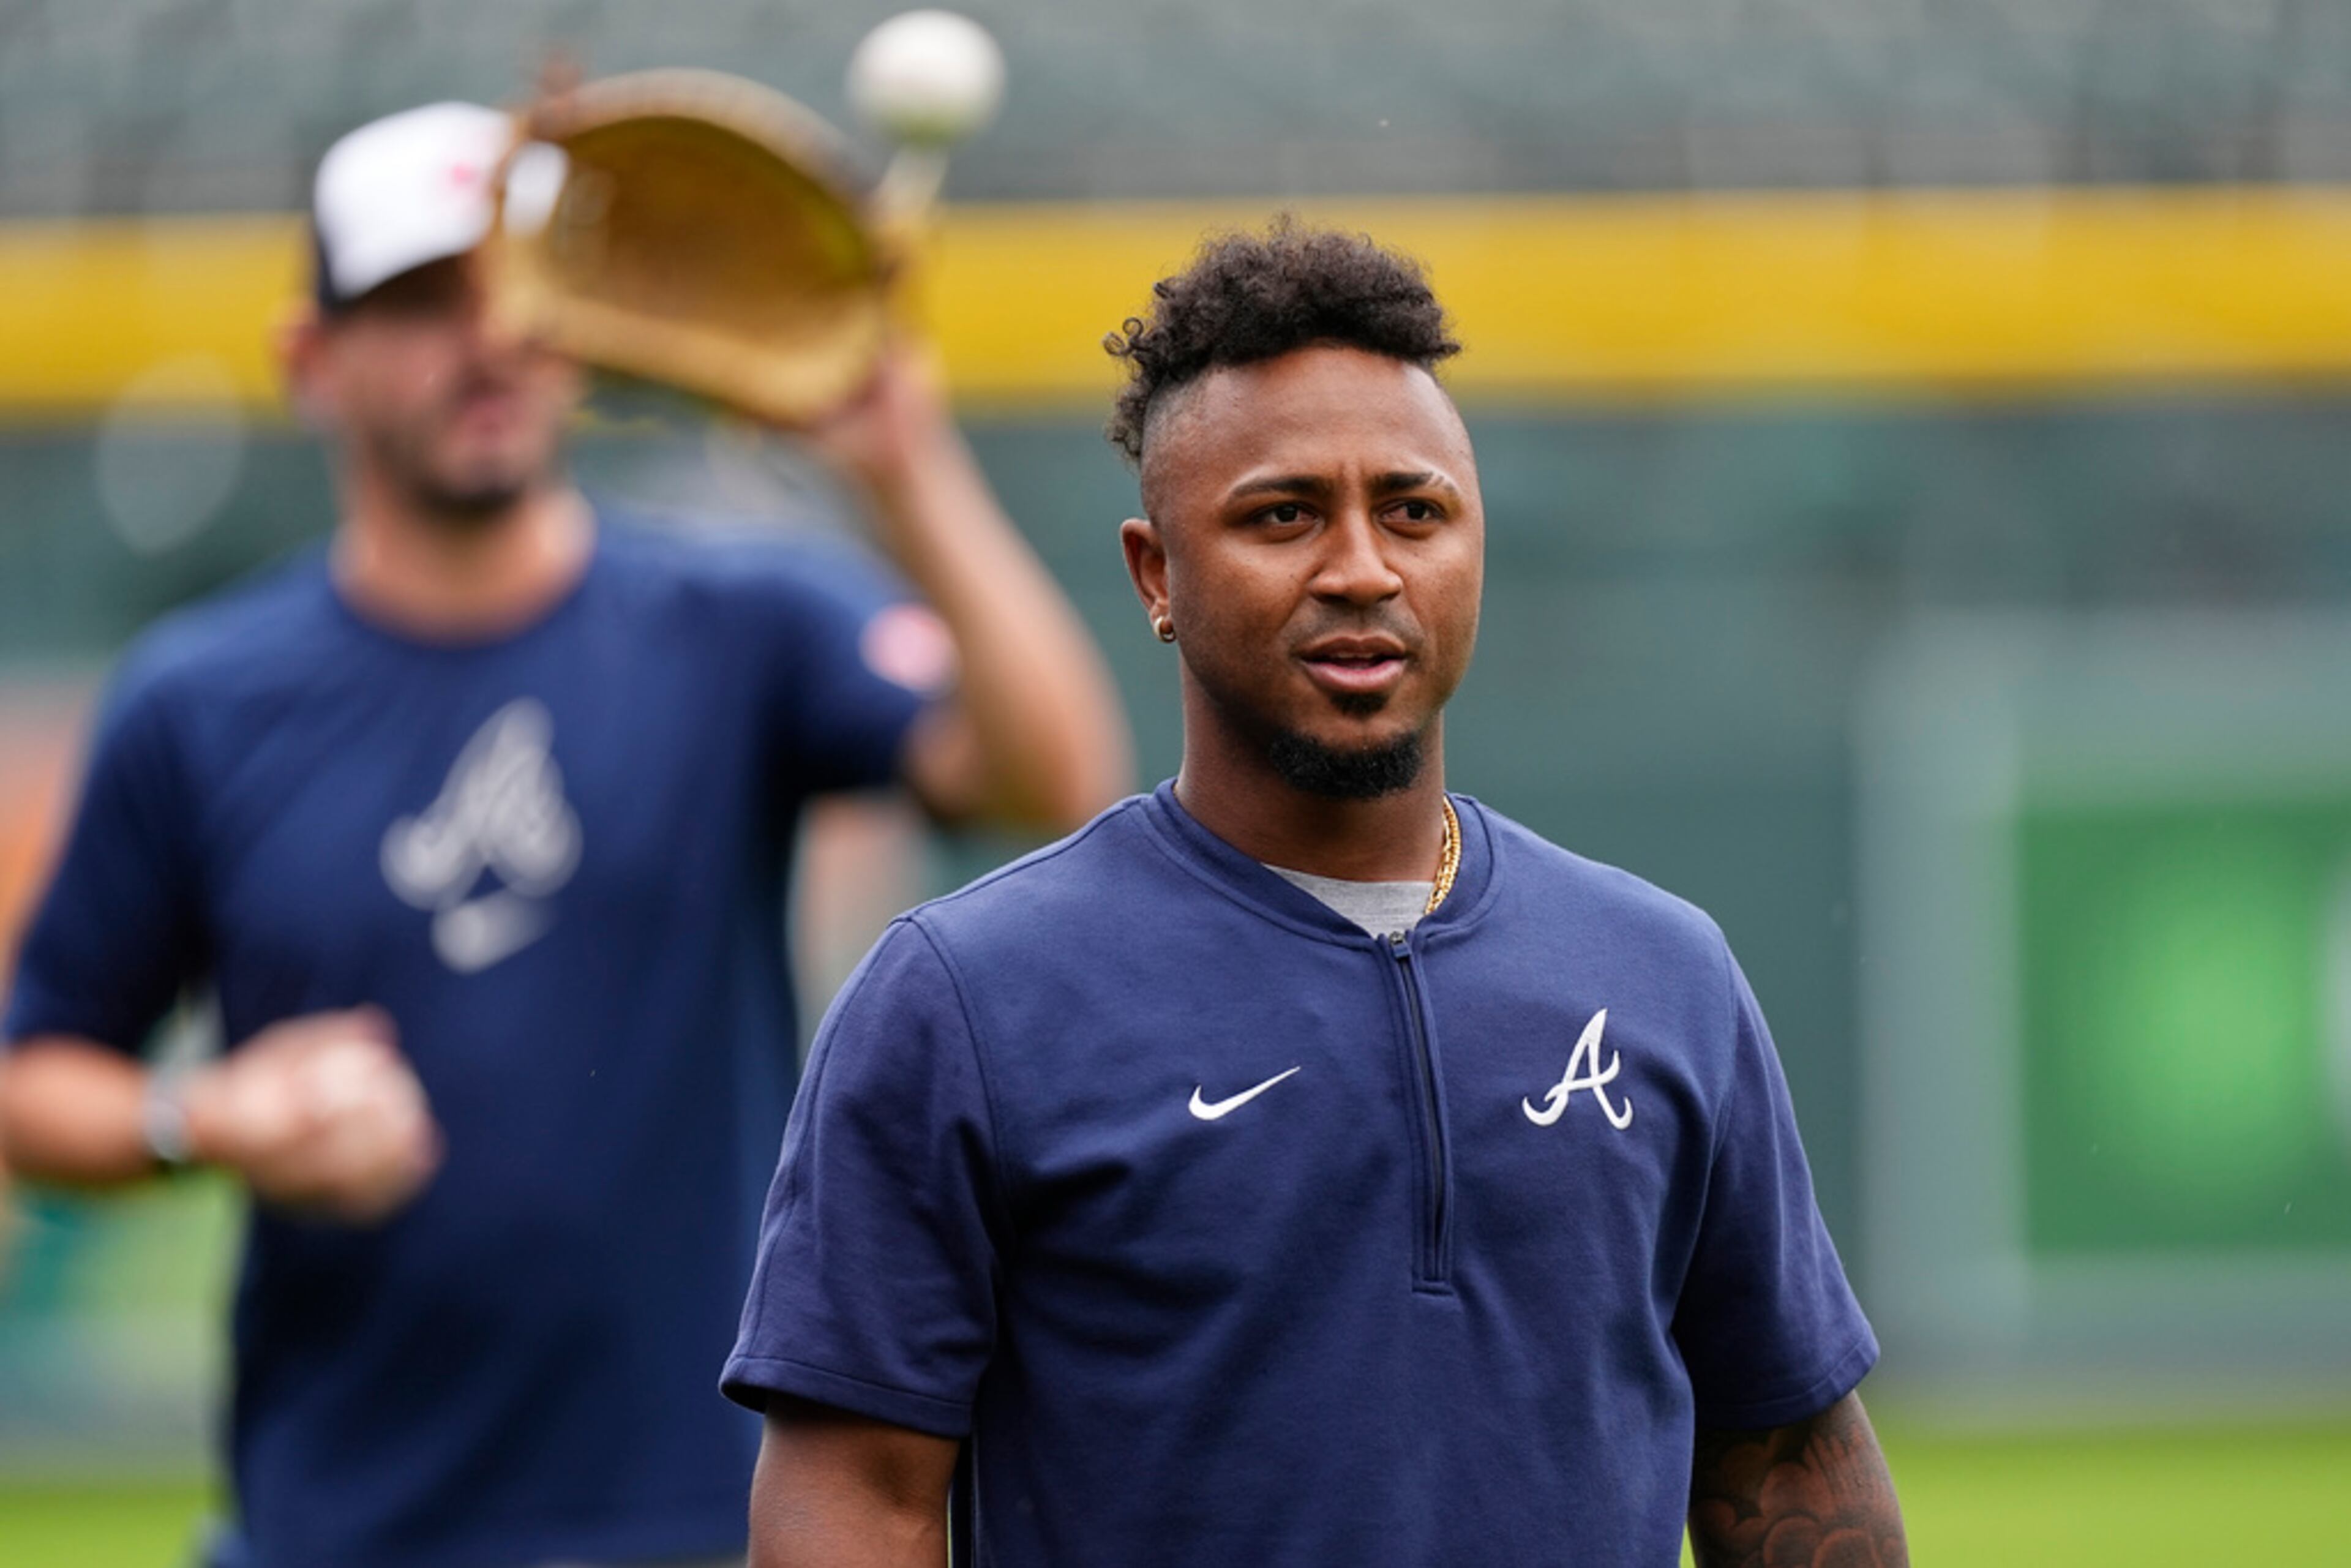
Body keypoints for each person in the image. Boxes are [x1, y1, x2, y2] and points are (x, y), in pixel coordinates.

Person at [0, 101, 1129, 1568]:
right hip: (338, 1532)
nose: (488, 340)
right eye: (420, 302)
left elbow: (1053, 774)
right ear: (309, 361)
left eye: (523, 288)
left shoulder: (741, 622)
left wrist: (898, 462)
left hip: (702, 1517)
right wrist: (203, 1119)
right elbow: (34, 1078)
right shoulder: (200, 702)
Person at [721, 223, 1910, 1568]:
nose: (1362, 569)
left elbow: (1790, 1461)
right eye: (1284, 516)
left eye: (1415, 511)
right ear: (1157, 574)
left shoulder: (1662, 973)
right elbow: (854, 1502)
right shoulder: (966, 996)